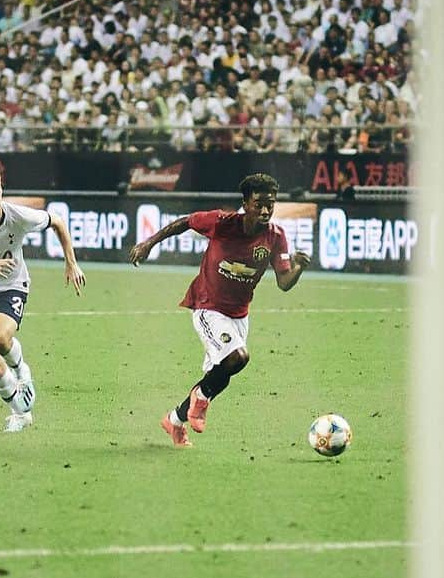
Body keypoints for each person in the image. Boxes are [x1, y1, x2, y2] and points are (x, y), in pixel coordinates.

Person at [128, 172, 310, 448]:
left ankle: (174, 421)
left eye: (270, 204)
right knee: (238, 357)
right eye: (259, 203)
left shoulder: (275, 237)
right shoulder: (222, 223)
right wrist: (148, 244)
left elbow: (284, 282)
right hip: (207, 306)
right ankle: (199, 400)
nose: (265, 210)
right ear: (246, 203)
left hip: (239, 314)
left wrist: (298, 267)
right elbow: (184, 222)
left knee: (221, 375)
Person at [0, 161, 85, 433]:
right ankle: (20, 414)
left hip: (12, 286)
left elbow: (57, 222)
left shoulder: (17, 216)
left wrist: (71, 263)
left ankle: (22, 370)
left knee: (0, 338)